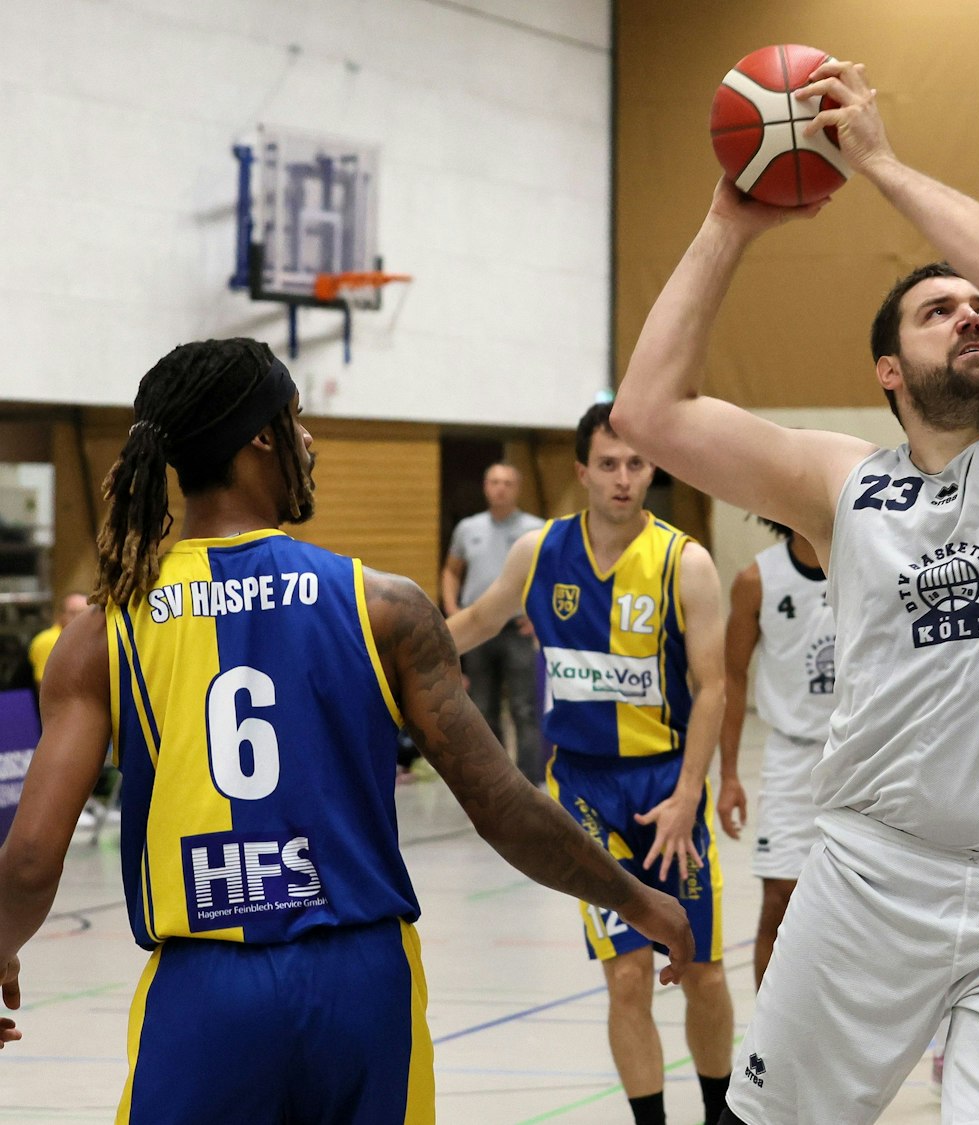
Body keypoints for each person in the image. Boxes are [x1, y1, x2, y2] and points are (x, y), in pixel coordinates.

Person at [611, 58, 979, 1125]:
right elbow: (648, 412)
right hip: (867, 875)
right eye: (939, 310)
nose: (974, 318)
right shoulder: (844, 484)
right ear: (888, 372)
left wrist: (883, 167)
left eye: (977, 311)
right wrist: (731, 221)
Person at [0, 339, 691, 1119]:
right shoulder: (382, 605)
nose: (309, 440)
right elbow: (502, 803)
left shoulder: (103, 634)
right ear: (261, 436)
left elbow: (28, 860)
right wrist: (635, 896)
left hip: (203, 991)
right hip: (363, 984)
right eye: (295, 420)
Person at [448, 403, 733, 1125]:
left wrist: (689, 793)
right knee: (627, 976)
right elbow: (477, 622)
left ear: (653, 469)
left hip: (669, 786)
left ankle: (721, 1110)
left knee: (700, 969)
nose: (623, 477)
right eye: (608, 463)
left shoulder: (684, 561)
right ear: (581, 470)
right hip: (582, 791)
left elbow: (715, 687)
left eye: (636, 463)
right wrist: (382, 656)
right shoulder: (540, 552)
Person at [718, 518, 833, 988]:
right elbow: (732, 678)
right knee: (780, 898)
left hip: (865, 755)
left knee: (868, 914)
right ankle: (770, 1046)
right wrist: (727, 775)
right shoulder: (756, 580)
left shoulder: (867, 565)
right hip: (792, 756)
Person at [442, 463, 544, 777]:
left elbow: (552, 578)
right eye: (494, 482)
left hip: (517, 629)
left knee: (523, 708)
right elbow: (451, 571)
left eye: (507, 483)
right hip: (477, 628)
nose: (500, 488)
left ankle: (530, 782)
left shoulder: (536, 529)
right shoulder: (468, 528)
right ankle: (495, 778)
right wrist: (452, 609)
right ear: (486, 486)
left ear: (518, 488)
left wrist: (539, 616)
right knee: (482, 708)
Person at [26, 593, 87, 694]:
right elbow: (45, 689)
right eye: (73, 613)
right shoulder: (48, 640)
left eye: (83, 613)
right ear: (60, 615)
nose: (78, 618)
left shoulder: (82, 639)